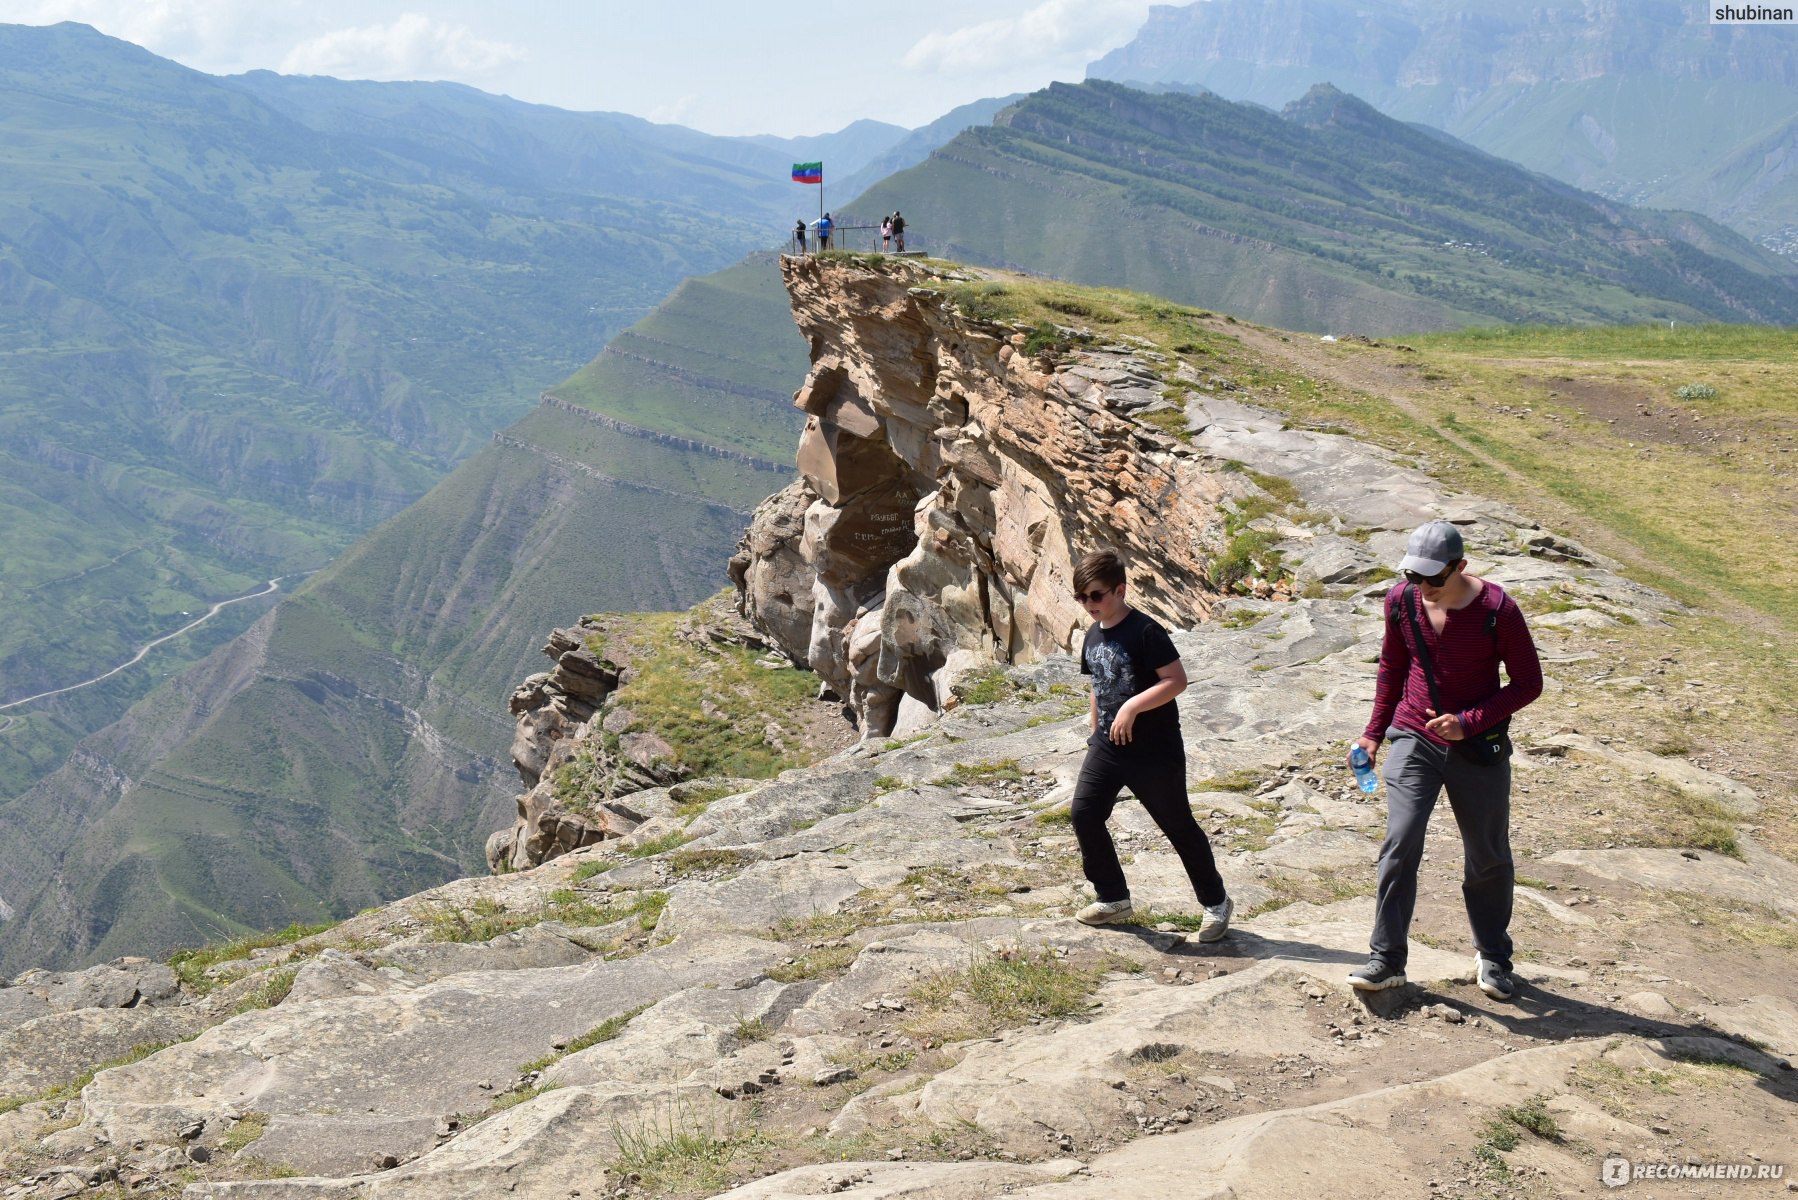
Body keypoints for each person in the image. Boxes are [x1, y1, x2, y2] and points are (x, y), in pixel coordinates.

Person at [1347, 521, 1542, 1000]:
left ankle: (1493, 954)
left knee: (1487, 853)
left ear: (1461, 567)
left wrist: (1469, 722)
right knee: (1400, 841)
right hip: (1413, 736)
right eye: (1414, 575)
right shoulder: (1401, 601)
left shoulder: (1499, 611)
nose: (1423, 586)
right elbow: (1392, 667)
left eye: (1434, 578)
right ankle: (1387, 958)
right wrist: (1373, 735)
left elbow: (1527, 684)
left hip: (1476, 746)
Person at [1069, 549, 1233, 941]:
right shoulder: (1093, 635)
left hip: (1154, 751)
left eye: (1096, 595)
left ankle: (1216, 904)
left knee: (1177, 826)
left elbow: (1175, 680)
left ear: (1120, 590)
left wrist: (1131, 708)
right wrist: (1096, 731)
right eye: (1081, 598)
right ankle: (1113, 897)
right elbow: (1097, 684)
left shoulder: (1146, 631)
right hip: (1108, 748)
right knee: (1084, 815)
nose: (1089, 605)